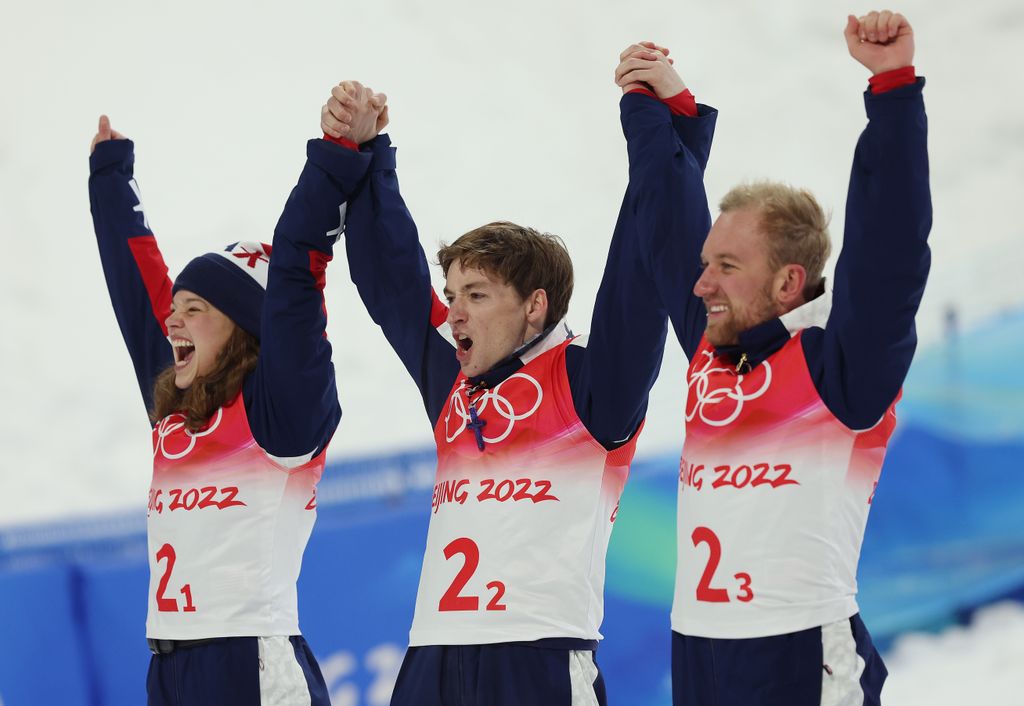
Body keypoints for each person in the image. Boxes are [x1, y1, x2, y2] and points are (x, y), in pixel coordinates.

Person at [317, 44, 716, 705]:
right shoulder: (454, 377)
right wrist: (365, 155)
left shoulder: (590, 386)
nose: (454, 311)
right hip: (431, 665)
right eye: (452, 292)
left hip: (536, 666)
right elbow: (390, 274)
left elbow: (643, 264)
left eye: (476, 294)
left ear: (535, 307)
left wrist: (667, 123)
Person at [649, 10, 931, 705]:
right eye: (707, 262)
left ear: (787, 284)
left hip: (800, 656)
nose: (701, 283)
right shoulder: (715, 351)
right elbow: (668, 229)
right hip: (699, 654)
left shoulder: (841, 370)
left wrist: (893, 91)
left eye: (726, 266)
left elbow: (888, 255)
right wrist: (673, 115)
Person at [87, 82, 385, 705]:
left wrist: (336, 154)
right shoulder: (177, 402)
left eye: (194, 310)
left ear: (244, 329)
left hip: (249, 668)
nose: (173, 323)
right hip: (168, 671)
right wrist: (112, 180)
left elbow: (298, 278)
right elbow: (139, 299)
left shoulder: (281, 417)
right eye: (179, 310)